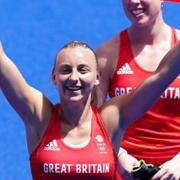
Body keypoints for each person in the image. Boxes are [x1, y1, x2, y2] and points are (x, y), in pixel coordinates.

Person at [0, 39, 180, 180]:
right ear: (54, 77)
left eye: (83, 70)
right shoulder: (40, 117)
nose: (74, 77)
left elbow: (161, 76)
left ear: (97, 77)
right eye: (65, 70)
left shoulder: (111, 119)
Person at [96, 0, 180, 179]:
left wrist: (179, 163)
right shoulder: (106, 55)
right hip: (126, 171)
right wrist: (120, 157)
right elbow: (91, 122)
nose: (134, 1)